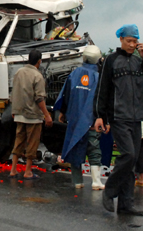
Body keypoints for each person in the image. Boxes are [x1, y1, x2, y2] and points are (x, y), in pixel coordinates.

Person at [94, 24, 143, 216]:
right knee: (128, 155)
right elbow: (102, 90)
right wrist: (99, 116)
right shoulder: (111, 61)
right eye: (129, 41)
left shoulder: (139, 62)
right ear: (121, 39)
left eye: (135, 41)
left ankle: (125, 204)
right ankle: (110, 190)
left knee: (133, 160)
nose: (132, 44)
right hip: (118, 117)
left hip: (137, 116)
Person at [54, 45, 107, 190]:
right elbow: (102, 100)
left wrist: (62, 113)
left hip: (75, 121)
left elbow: (65, 95)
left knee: (75, 149)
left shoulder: (74, 74)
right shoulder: (98, 77)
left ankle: (78, 182)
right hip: (91, 122)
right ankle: (96, 181)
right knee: (94, 150)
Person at [9, 49, 53, 179]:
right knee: (32, 144)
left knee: (18, 141)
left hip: (19, 113)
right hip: (33, 116)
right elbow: (39, 98)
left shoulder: (18, 72)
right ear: (39, 61)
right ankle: (28, 171)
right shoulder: (37, 76)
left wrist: (14, 110)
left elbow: (14, 93)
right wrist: (47, 115)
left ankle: (13, 170)